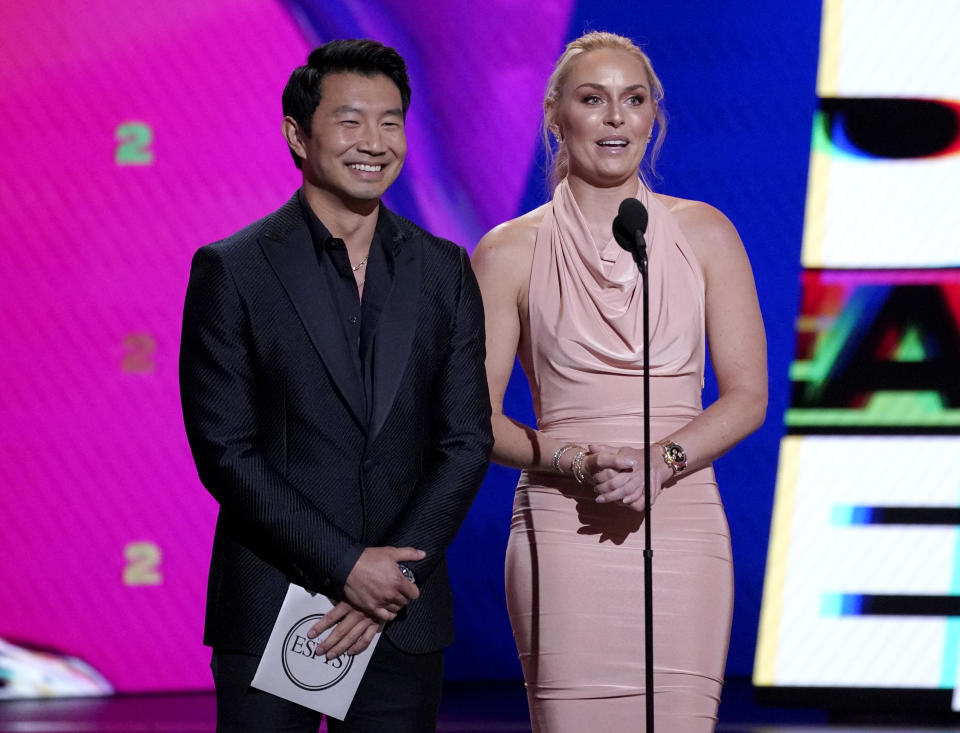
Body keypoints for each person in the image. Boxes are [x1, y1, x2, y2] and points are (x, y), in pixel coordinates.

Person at [179, 39, 492, 732]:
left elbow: (466, 441)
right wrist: (347, 565)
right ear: (298, 133)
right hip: (272, 607)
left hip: (399, 614)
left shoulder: (445, 270)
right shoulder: (234, 270)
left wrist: (393, 576)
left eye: (391, 121)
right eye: (351, 120)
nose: (375, 142)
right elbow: (226, 451)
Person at [472, 31, 767, 732]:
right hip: (563, 521)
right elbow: (471, 419)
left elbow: (748, 393)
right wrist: (572, 460)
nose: (615, 118)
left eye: (633, 101)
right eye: (592, 99)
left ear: (652, 119)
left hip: (684, 524)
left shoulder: (706, 234)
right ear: (556, 116)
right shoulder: (509, 250)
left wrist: (661, 463)